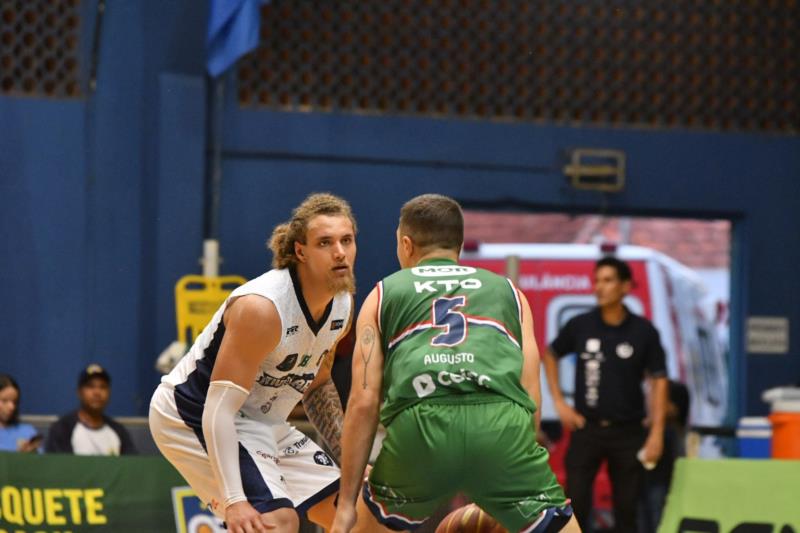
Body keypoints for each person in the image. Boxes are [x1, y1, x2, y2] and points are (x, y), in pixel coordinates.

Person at [332, 194, 580, 533]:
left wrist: (346, 504)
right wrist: (503, 472)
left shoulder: (383, 293)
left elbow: (363, 401)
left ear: (406, 244)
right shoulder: (511, 293)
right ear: (459, 246)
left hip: (421, 430)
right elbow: (529, 394)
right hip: (500, 427)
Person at [149, 193, 362, 533]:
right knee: (275, 523)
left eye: (346, 240)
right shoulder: (262, 309)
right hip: (192, 413)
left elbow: (318, 383)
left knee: (355, 518)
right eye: (325, 242)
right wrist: (234, 500)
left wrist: (352, 462)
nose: (339, 252)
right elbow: (217, 411)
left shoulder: (343, 306)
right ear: (300, 252)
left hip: (263, 422)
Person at [541, 256, 668, 533]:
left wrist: (657, 433)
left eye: (608, 281)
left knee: (627, 511)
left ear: (625, 287)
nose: (599, 287)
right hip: (587, 428)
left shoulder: (643, 332)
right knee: (575, 508)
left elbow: (659, 380)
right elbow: (550, 355)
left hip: (629, 432)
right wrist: (560, 403)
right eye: (597, 281)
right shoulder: (580, 325)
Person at [45, 364, 137, 455]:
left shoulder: (119, 431)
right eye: (90, 386)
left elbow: (132, 466)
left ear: (109, 392)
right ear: (79, 392)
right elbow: (60, 467)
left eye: (103, 387)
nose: (97, 392)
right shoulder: (62, 429)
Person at [638, 380, 689, 533]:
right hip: (645, 482)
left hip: (663, 481)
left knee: (659, 517)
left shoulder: (671, 433)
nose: (653, 403)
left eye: (659, 399)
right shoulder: (648, 430)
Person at [0, 374, 41, 452]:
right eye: (4, 401)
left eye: (15, 402)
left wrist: (30, 453)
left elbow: (43, 461)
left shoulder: (28, 432)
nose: (11, 407)